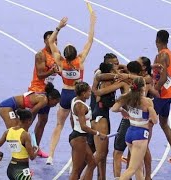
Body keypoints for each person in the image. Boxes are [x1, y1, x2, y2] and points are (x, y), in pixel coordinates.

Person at [46, 12, 96, 165]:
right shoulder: (80, 61)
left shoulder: (61, 62)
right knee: (78, 129)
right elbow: (90, 40)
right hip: (77, 96)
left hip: (65, 94)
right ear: (75, 54)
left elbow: (51, 42)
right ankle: (75, 160)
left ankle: (51, 156)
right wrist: (92, 22)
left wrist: (58, 27)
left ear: (65, 55)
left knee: (59, 125)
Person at [111, 77, 158, 179]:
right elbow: (155, 121)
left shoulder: (127, 97)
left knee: (138, 167)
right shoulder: (147, 101)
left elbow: (114, 108)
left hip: (130, 133)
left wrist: (122, 110)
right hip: (140, 135)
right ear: (143, 87)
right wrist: (152, 117)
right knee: (132, 169)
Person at [28, 30, 60, 158]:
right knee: (29, 120)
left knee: (43, 121)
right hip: (37, 91)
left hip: (47, 92)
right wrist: (52, 70)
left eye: (56, 39)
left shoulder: (56, 54)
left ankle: (36, 148)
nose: (54, 41)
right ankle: (20, 144)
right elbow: (40, 75)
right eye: (51, 39)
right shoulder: (41, 55)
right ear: (45, 41)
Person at [69, 81, 107, 180]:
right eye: (89, 92)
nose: (90, 94)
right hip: (79, 139)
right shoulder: (80, 106)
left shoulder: (74, 100)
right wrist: (98, 133)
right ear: (83, 93)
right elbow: (83, 127)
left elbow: (71, 118)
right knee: (76, 170)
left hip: (79, 137)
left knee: (92, 163)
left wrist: (75, 129)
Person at [153, 30, 171, 164]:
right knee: (164, 123)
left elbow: (163, 77)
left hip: (160, 95)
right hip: (169, 94)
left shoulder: (161, 56)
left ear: (157, 39)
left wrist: (154, 90)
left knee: (147, 124)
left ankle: (134, 155)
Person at [0, 109, 38, 180]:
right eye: (31, 121)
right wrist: (36, 150)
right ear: (28, 121)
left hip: (10, 169)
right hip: (21, 170)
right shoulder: (25, 135)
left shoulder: (8, 132)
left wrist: (0, 154)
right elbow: (32, 157)